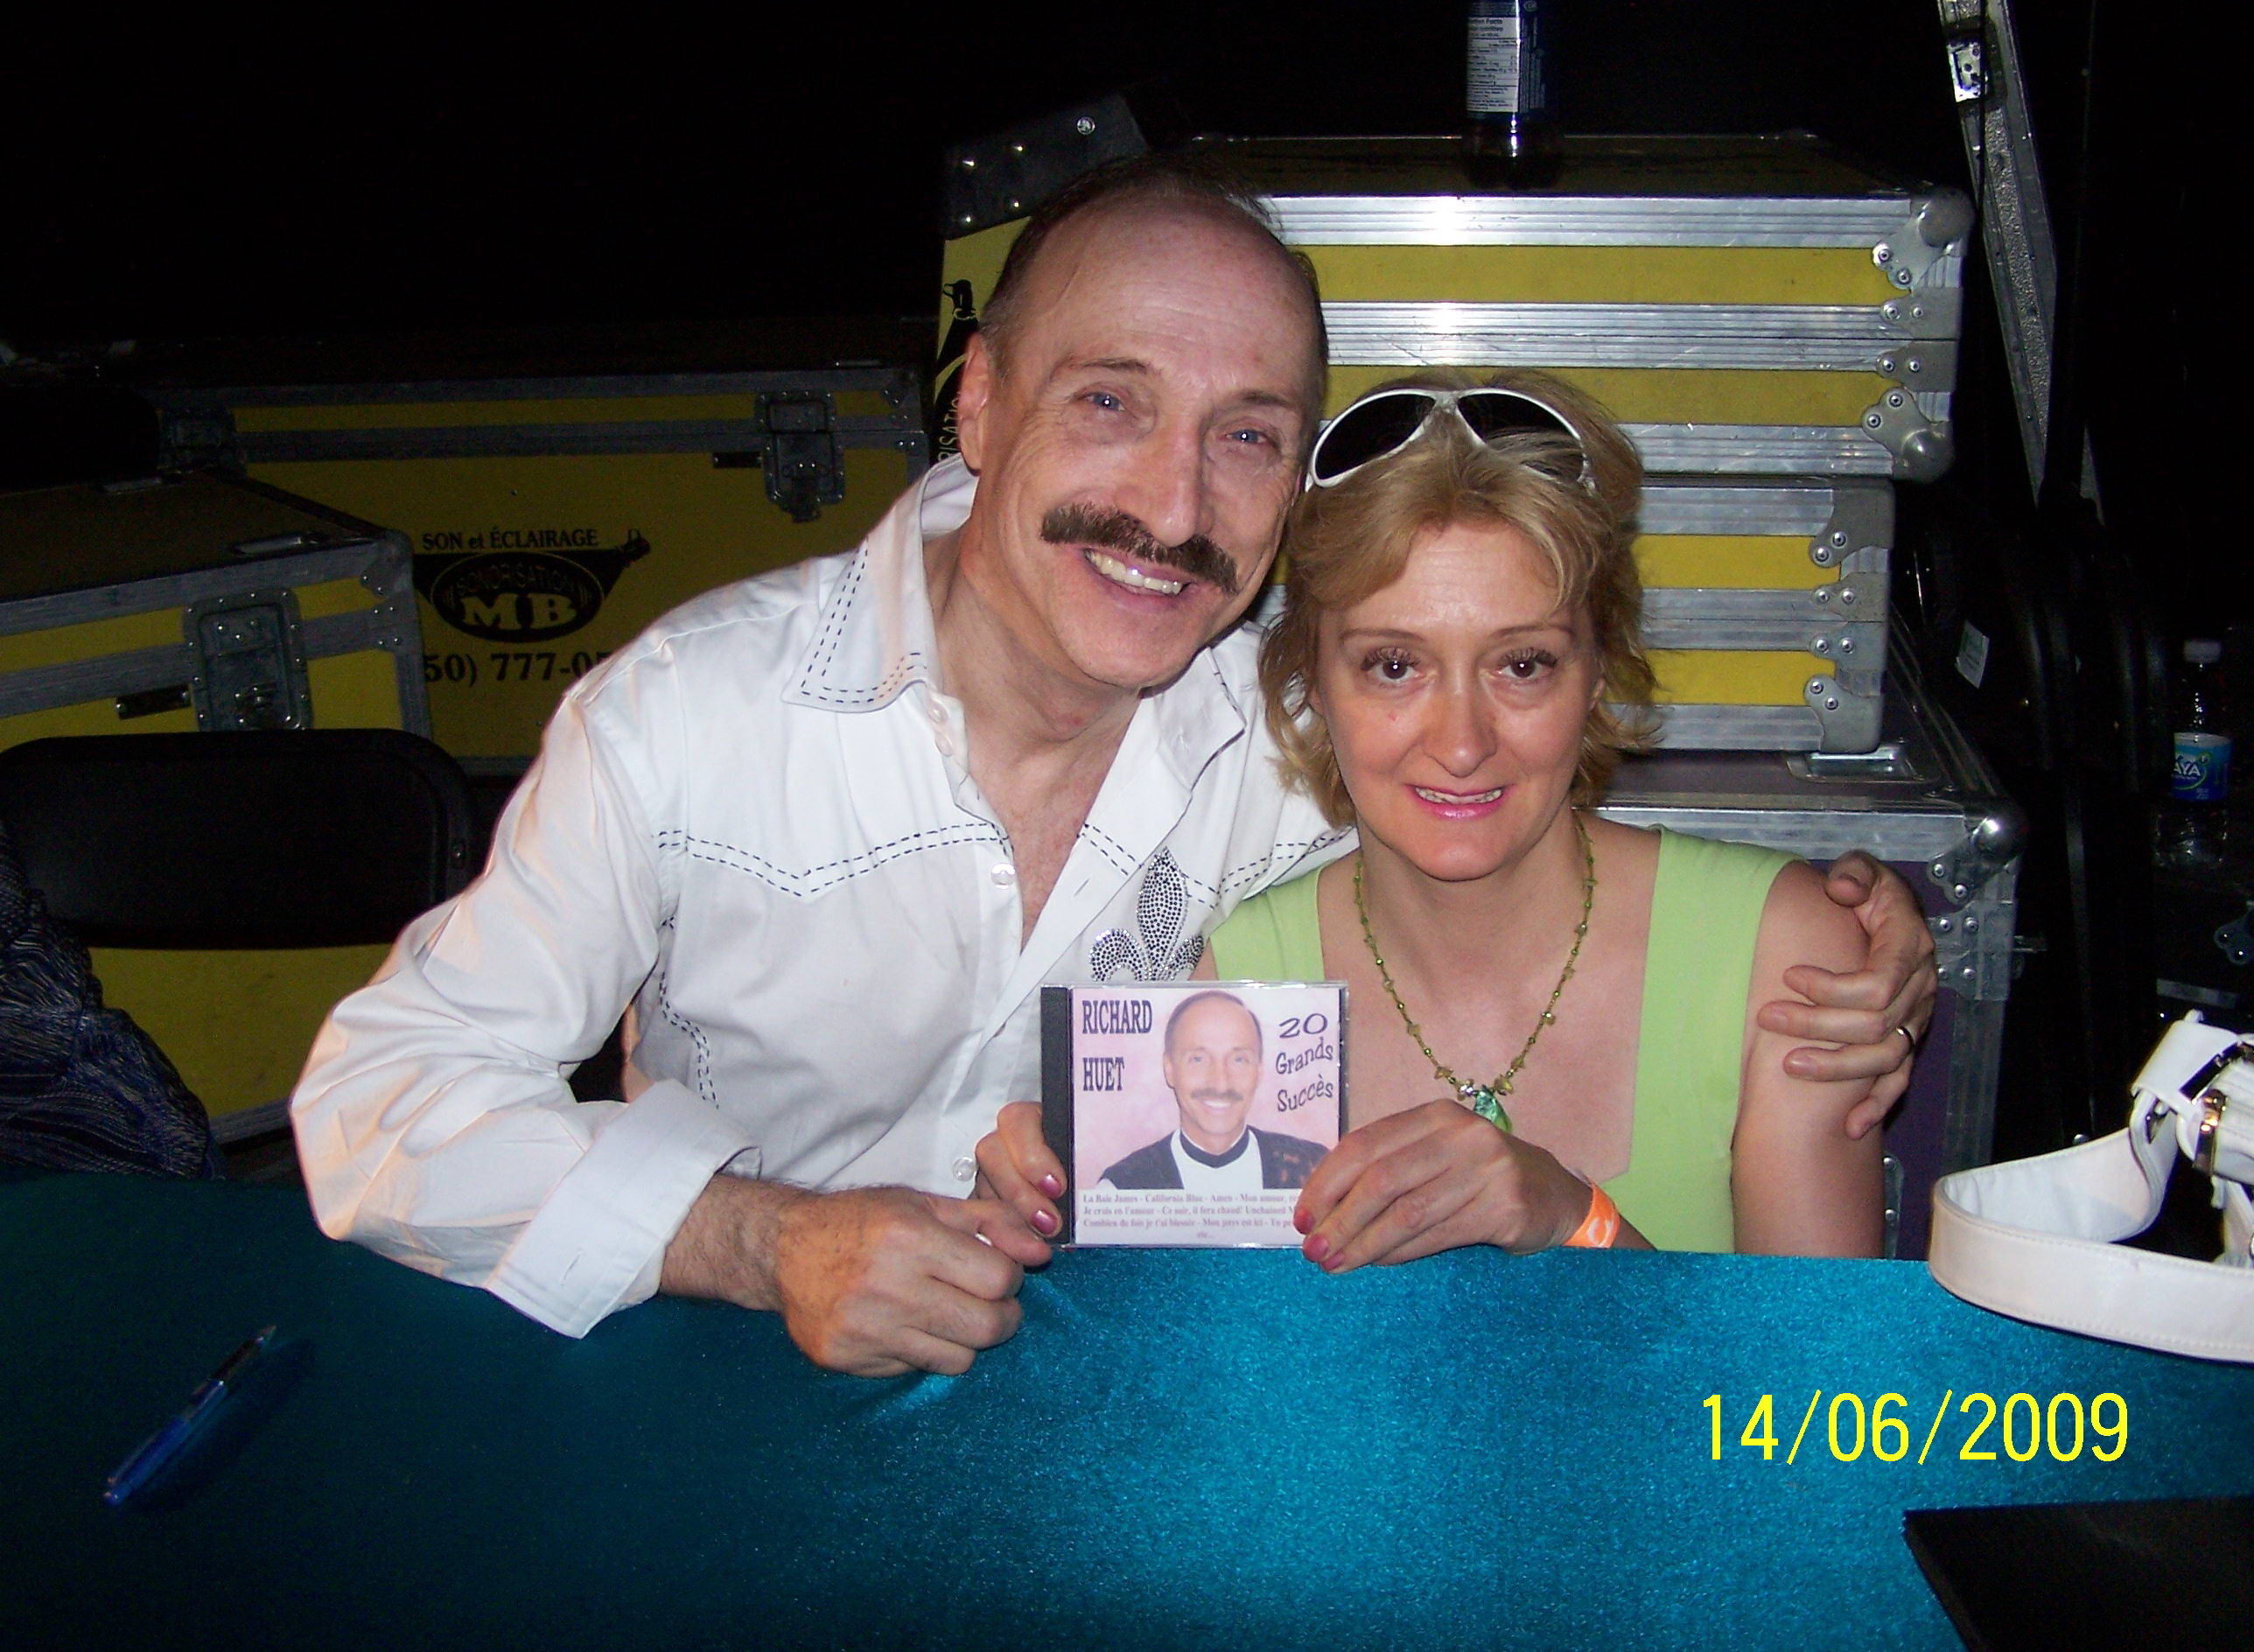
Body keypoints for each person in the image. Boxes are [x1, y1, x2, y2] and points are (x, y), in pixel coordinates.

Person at [294, 158, 1933, 1378]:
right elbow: (381, 1096)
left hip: (1104, 1431)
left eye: (1246, 434)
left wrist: (1852, 922)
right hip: (724, 1383)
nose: (1171, 505)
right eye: (1109, 401)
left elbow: (1499, 783)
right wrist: (757, 1237)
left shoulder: (1293, 745)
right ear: (980, 406)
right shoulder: (691, 717)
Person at [979, 368, 1888, 1263]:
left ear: (1597, 672)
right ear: (1309, 682)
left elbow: (1816, 1367)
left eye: (1522, 665)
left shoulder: (1788, 962)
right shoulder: (1236, 985)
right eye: (1393, 666)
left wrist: (1576, 1221)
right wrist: (1054, 1239)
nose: (1460, 744)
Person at [1097, 990, 1327, 1190]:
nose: (1220, 1083)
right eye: (1198, 1059)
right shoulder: (1120, 1187)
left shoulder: (1315, 1170)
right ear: (1170, 1070)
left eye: (1239, 1059)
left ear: (1259, 1071)